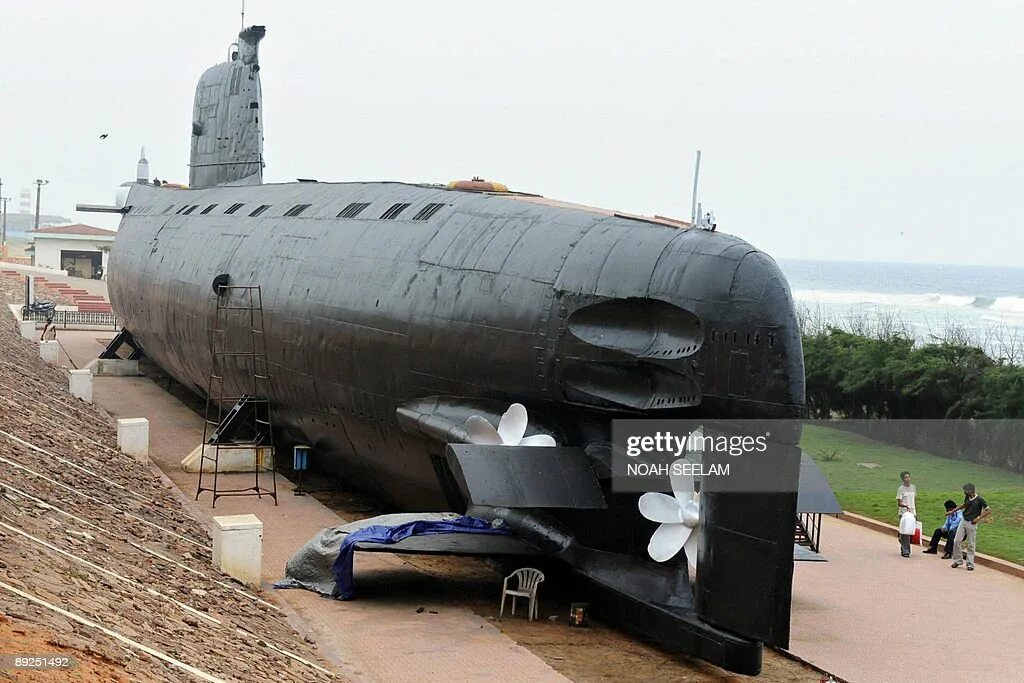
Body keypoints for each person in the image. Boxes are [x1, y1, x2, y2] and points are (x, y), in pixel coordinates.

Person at [950, 483, 991, 571]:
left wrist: (978, 518)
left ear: (971, 491)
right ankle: (958, 561)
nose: (964, 492)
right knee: (956, 540)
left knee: (971, 544)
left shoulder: (980, 499)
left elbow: (988, 510)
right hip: (964, 520)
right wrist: (954, 510)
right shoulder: (967, 497)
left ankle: (970, 564)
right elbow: (964, 505)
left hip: (972, 523)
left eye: (965, 490)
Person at [896, 470, 916, 557]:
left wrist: (915, 512)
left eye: (908, 477)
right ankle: (905, 551)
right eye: (905, 477)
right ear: (903, 479)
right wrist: (905, 506)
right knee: (905, 533)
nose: (907, 479)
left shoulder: (913, 488)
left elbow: (914, 501)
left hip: (912, 512)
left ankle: (902, 540)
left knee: (910, 532)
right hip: (904, 513)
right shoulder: (900, 489)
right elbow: (899, 503)